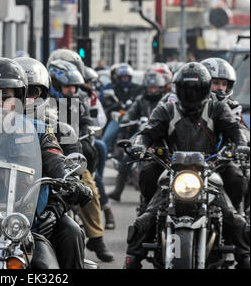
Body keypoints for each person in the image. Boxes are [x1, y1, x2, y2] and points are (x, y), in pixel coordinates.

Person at [124, 62, 250, 269]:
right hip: (172, 171)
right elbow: (146, 133)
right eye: (187, 90)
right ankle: (133, 258)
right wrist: (139, 146)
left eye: (196, 89)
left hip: (211, 170)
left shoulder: (218, 107)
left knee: (233, 217)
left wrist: (241, 146)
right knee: (146, 218)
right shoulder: (166, 109)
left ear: (204, 89)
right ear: (178, 89)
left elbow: (234, 129)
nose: (191, 94)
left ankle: (244, 257)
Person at [0, 57, 93, 269]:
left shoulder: (40, 131)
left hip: (26, 221)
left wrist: (69, 181)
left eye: (6, 97)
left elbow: (56, 160)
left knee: (68, 236)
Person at [48, 57, 114, 262]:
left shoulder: (77, 101)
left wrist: (84, 134)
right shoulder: (42, 102)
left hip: (70, 157)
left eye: (75, 86)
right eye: (68, 86)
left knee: (89, 190)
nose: (72, 90)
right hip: (43, 156)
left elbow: (85, 122)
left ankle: (96, 238)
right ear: (55, 84)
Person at [109, 70, 167, 203]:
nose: (152, 90)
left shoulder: (165, 101)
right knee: (127, 155)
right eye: (150, 87)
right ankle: (118, 190)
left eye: (155, 87)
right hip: (142, 133)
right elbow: (129, 113)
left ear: (160, 88)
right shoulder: (140, 100)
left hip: (160, 135)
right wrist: (127, 119)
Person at [201, 57, 250, 211]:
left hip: (219, 161)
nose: (220, 88)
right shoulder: (188, 103)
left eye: (224, 84)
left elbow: (238, 128)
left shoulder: (232, 107)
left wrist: (240, 145)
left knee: (237, 179)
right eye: (216, 83)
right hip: (186, 162)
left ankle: (234, 218)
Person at [80, 66, 115, 230]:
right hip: (59, 143)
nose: (88, 85)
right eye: (86, 82)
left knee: (100, 148)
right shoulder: (53, 99)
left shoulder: (91, 97)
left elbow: (100, 120)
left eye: (89, 82)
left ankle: (107, 209)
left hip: (82, 139)